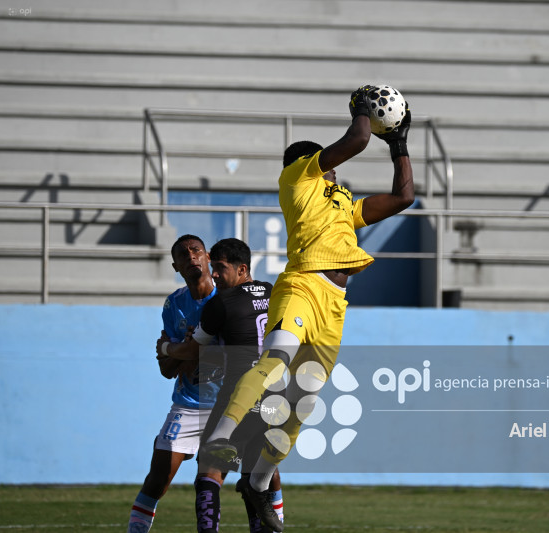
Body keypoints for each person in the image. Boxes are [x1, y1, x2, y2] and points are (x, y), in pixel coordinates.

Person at [199, 85, 415, 531]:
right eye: (328, 165)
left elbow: (402, 198)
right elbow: (355, 140)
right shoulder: (297, 178)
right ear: (312, 165)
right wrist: (363, 109)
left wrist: (399, 145)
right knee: (274, 361)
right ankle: (220, 440)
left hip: (334, 303)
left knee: (302, 401)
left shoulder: (342, 206)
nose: (334, 171)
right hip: (301, 285)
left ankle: (257, 484)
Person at [160, 237, 283, 533]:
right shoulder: (274, 293)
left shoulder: (222, 303)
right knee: (256, 478)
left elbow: (191, 351)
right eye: (213, 266)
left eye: (220, 268)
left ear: (242, 270)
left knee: (209, 472)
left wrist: (166, 349)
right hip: (277, 397)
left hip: (241, 395)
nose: (213, 274)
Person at [127, 234, 219, 533]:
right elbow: (166, 369)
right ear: (176, 266)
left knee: (209, 482)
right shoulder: (174, 304)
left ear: (208, 258)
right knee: (157, 480)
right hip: (188, 404)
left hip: (227, 405)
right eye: (183, 254)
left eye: (196, 250)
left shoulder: (227, 299)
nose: (191, 256)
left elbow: (183, 353)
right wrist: (182, 353)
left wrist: (180, 351)